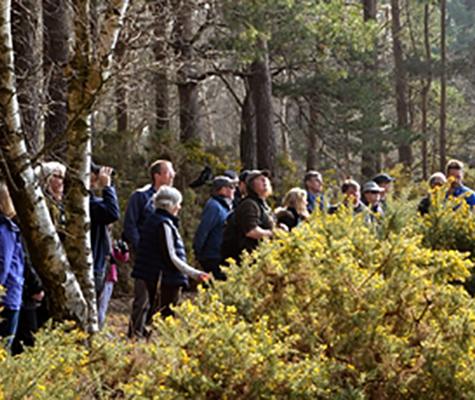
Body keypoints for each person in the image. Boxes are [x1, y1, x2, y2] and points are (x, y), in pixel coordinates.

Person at [129, 186, 209, 338]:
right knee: (165, 318)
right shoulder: (163, 224)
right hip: (165, 279)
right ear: (169, 205)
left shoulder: (154, 221)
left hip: (156, 276)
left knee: (154, 316)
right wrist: (195, 274)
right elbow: (171, 256)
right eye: (178, 203)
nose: (179, 207)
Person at [123, 160, 175, 252]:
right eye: (168, 172)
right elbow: (130, 225)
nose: (172, 175)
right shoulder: (140, 196)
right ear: (157, 175)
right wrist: (140, 246)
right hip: (144, 252)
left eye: (173, 172)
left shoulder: (172, 199)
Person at [193, 176, 236, 280]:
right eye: (231, 187)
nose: (234, 190)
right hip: (212, 256)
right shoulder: (214, 206)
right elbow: (203, 230)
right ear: (223, 190)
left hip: (220, 255)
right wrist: (198, 252)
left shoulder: (224, 206)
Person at [227, 170, 274, 261]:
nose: (264, 180)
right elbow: (251, 231)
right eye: (259, 179)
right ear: (251, 185)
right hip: (246, 259)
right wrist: (273, 233)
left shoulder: (261, 204)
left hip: (258, 257)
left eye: (265, 179)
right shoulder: (249, 204)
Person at [0, 181, 25, 350]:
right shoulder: (6, 228)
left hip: (8, 295)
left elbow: (3, 263)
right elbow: (3, 263)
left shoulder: (6, 228)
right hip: (8, 295)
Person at [90, 162, 120, 297]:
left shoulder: (92, 202)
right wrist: (107, 187)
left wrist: (109, 187)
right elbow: (112, 213)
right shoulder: (87, 205)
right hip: (92, 265)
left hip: (98, 264)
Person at [97, 237, 129, 329]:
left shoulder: (111, 240)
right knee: (98, 305)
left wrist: (124, 251)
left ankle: (100, 327)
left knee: (103, 305)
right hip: (100, 275)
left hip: (109, 278)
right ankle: (96, 327)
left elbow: (122, 258)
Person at [37, 161, 67, 234]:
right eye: (57, 176)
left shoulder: (64, 203)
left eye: (62, 177)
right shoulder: (40, 202)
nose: (61, 181)